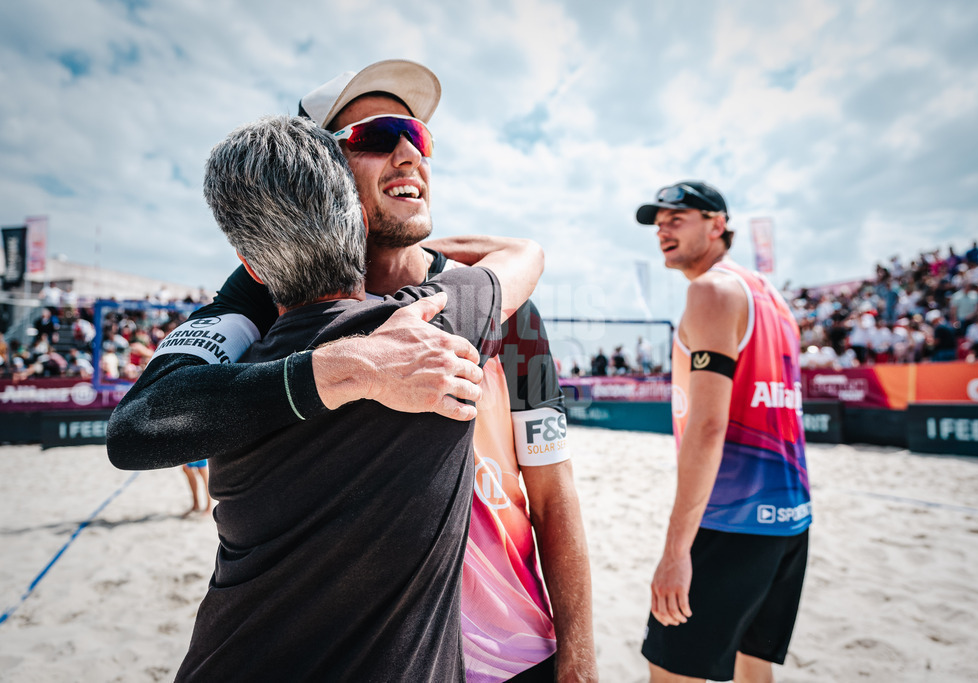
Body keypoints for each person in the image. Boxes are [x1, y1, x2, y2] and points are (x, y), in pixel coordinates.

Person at [107, 60, 594, 682]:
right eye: (374, 135)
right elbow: (144, 421)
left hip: (513, 653)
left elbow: (553, 491)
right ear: (323, 174)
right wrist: (345, 365)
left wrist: (578, 656)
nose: (406, 152)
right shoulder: (258, 299)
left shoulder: (510, 313)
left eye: (418, 137)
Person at [635, 181, 812, 683]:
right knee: (753, 667)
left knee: (671, 671)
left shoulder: (711, 290)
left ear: (718, 225)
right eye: (659, 222)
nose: (663, 229)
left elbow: (710, 427)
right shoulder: (774, 300)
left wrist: (675, 552)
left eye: (677, 218)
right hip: (791, 519)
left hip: (731, 520)